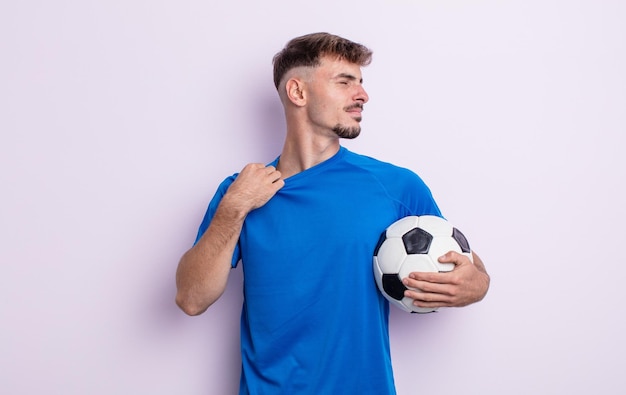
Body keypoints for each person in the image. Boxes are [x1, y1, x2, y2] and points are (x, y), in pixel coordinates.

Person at [175, 32, 490, 395]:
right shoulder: (242, 191)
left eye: (361, 83)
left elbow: (468, 268)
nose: (362, 95)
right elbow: (191, 298)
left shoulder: (395, 186)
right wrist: (234, 208)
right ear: (298, 92)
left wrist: (475, 285)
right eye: (344, 82)